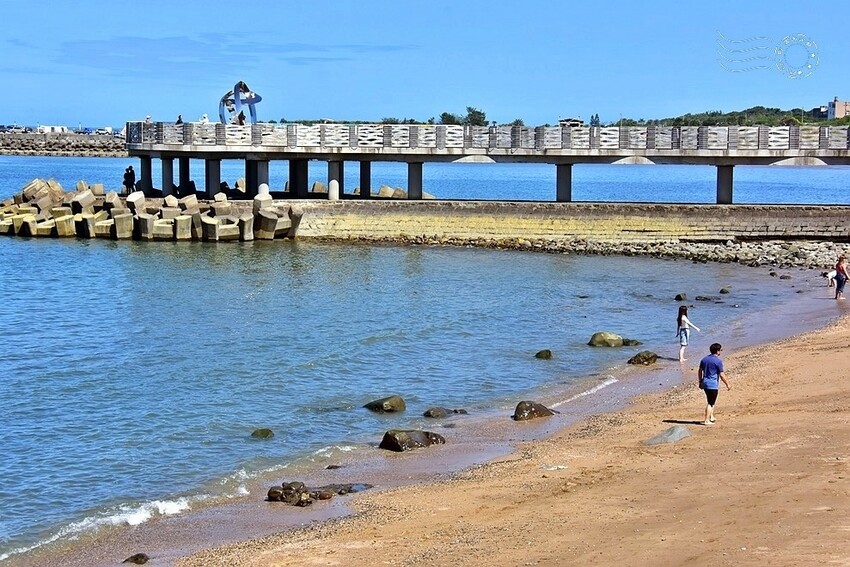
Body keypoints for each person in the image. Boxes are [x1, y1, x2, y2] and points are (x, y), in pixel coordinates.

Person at [698, 343, 731, 425]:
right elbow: (721, 375)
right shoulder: (718, 361)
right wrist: (727, 384)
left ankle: (711, 416)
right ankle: (706, 420)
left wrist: (700, 380)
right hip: (712, 384)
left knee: (710, 399)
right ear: (717, 351)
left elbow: (699, 371)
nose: (721, 352)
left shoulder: (704, 359)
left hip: (705, 383)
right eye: (720, 350)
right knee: (711, 402)